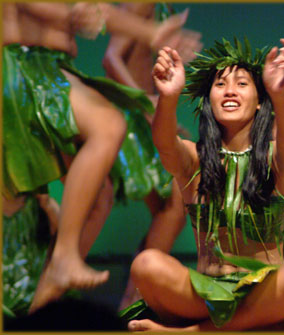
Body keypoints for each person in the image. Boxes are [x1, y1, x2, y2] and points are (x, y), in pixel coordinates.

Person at [2, 2, 200, 313]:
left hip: (53, 69)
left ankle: (43, 304)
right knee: (109, 125)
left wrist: (153, 31)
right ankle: (73, 264)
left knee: (100, 197)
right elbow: (100, 39)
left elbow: (97, 11)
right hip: (25, 66)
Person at [125, 37, 284, 332]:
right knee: (145, 265)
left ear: (259, 101)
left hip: (265, 293)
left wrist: (279, 95)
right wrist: (168, 97)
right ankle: (263, 326)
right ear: (209, 100)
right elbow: (165, 145)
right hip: (207, 294)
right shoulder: (193, 159)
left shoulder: (276, 159)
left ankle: (195, 332)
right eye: (220, 84)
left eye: (242, 84)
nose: (230, 90)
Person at [102, 2, 202, 310]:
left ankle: (136, 293)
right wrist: (145, 103)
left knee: (171, 207)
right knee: (174, 203)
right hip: (130, 115)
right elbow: (111, 59)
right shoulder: (141, 4)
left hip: (142, 114)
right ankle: (135, 294)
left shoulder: (159, 8)